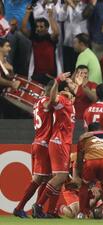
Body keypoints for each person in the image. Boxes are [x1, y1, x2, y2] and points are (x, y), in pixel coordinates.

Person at [32, 72, 76, 218]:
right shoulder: (61, 101)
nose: (73, 85)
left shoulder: (69, 102)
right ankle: (38, 205)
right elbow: (52, 98)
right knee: (61, 176)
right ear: (64, 90)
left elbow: (75, 95)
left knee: (58, 177)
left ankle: (50, 211)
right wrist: (57, 81)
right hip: (59, 141)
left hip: (64, 142)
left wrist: (77, 86)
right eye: (70, 85)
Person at [13, 81, 54, 218]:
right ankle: (19, 208)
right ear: (50, 91)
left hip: (39, 142)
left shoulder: (37, 102)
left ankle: (37, 209)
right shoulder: (45, 102)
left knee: (47, 178)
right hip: (42, 144)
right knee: (38, 178)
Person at [21, 5, 60, 85]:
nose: (38, 29)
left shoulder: (50, 38)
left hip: (49, 76)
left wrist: (50, 16)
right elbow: (23, 28)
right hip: (37, 74)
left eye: (41, 27)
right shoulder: (34, 37)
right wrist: (27, 12)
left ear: (46, 28)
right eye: (37, 27)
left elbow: (56, 32)